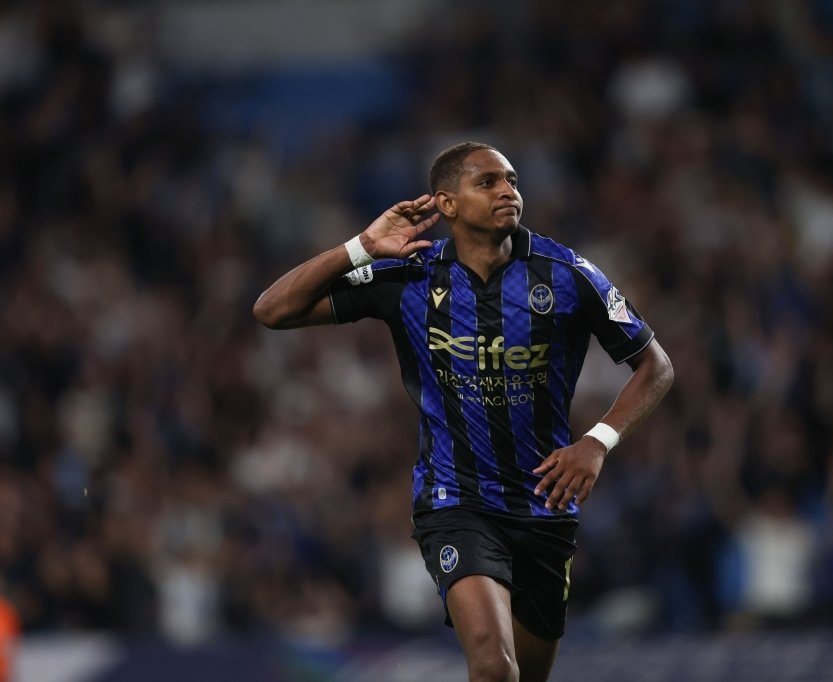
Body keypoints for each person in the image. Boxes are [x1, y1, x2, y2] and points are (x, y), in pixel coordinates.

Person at [253, 142, 673, 682]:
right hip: (457, 501)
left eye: (512, 180)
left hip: (546, 503)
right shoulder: (410, 275)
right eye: (488, 182)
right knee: (494, 669)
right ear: (446, 204)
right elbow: (272, 309)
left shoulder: (567, 274)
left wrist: (597, 442)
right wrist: (362, 247)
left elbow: (655, 366)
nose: (508, 191)